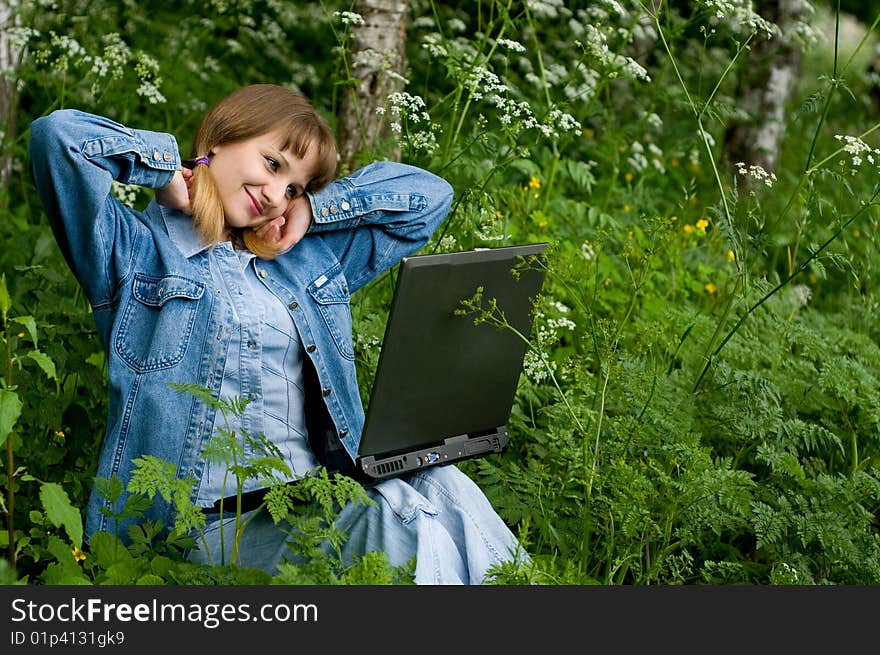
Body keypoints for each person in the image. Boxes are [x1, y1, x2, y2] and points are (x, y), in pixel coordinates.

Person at [28, 84, 525, 584]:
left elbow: (430, 198)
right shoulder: (135, 253)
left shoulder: (303, 262)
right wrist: (163, 171)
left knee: (443, 487)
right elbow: (59, 140)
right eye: (271, 164)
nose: (274, 196)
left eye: (293, 187)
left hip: (312, 497)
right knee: (406, 530)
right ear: (219, 140)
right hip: (204, 527)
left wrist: (314, 210)